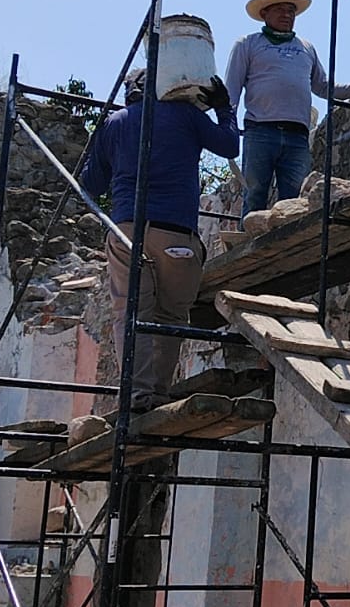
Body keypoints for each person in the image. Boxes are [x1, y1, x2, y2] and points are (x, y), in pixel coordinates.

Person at [80, 65, 240, 411]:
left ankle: (136, 394)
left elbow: (90, 185)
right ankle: (157, 393)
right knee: (171, 317)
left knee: (129, 312)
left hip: (127, 230)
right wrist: (223, 107)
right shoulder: (186, 116)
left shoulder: (114, 123)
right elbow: (230, 145)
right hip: (177, 233)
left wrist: (100, 143)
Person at [225, 0, 350, 214]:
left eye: (291, 11)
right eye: (280, 10)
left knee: (294, 201)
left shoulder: (305, 48)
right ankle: (249, 234)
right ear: (264, 13)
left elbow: (322, 86)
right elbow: (232, 90)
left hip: (297, 134)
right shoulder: (248, 44)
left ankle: (284, 238)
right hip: (261, 130)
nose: (287, 15)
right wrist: (227, 126)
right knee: (255, 194)